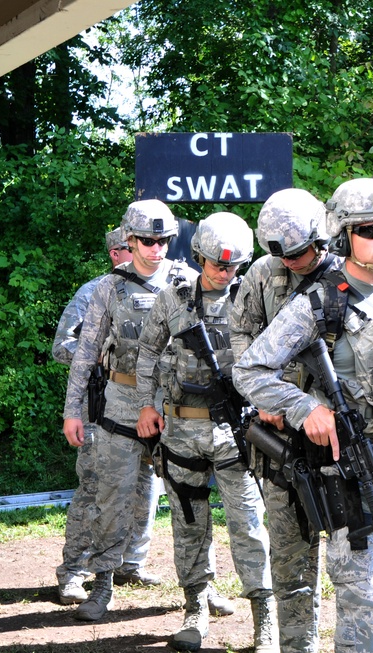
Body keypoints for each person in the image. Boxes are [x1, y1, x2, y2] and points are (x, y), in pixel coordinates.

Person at [233, 178, 373, 652]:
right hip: (353, 480)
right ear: (343, 236)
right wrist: (304, 409)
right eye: (370, 229)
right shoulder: (317, 303)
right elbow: (249, 368)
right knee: (365, 614)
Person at [135, 212, 277, 652]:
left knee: (250, 524)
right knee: (189, 522)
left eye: (234, 266)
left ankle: (264, 617)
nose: (225, 272)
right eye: (217, 264)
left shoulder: (253, 300)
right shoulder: (172, 299)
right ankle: (195, 608)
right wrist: (146, 405)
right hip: (181, 431)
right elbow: (146, 352)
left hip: (239, 433)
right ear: (198, 257)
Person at [61, 199, 195, 622]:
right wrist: (73, 411)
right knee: (111, 496)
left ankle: (198, 590)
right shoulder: (108, 287)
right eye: (148, 241)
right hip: (119, 404)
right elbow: (83, 355)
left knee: (188, 500)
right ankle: (102, 583)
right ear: (130, 240)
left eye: (164, 241)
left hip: (176, 406)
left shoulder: (189, 282)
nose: (157, 249)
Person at [229, 188, 343, 653]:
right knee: (290, 555)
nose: (292, 262)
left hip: (339, 437)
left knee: (353, 553)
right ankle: (299, 646)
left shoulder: (344, 276)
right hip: (280, 438)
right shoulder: (262, 273)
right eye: (281, 254)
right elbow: (240, 333)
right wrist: (261, 400)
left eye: (299, 252)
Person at [52, 226, 164, 604]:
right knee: (96, 488)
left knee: (147, 485)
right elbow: (64, 346)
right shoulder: (95, 290)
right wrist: (105, 353)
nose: (151, 250)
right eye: (130, 246)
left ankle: (131, 561)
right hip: (103, 404)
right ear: (118, 251)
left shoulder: (166, 283)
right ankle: (75, 570)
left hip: (151, 402)